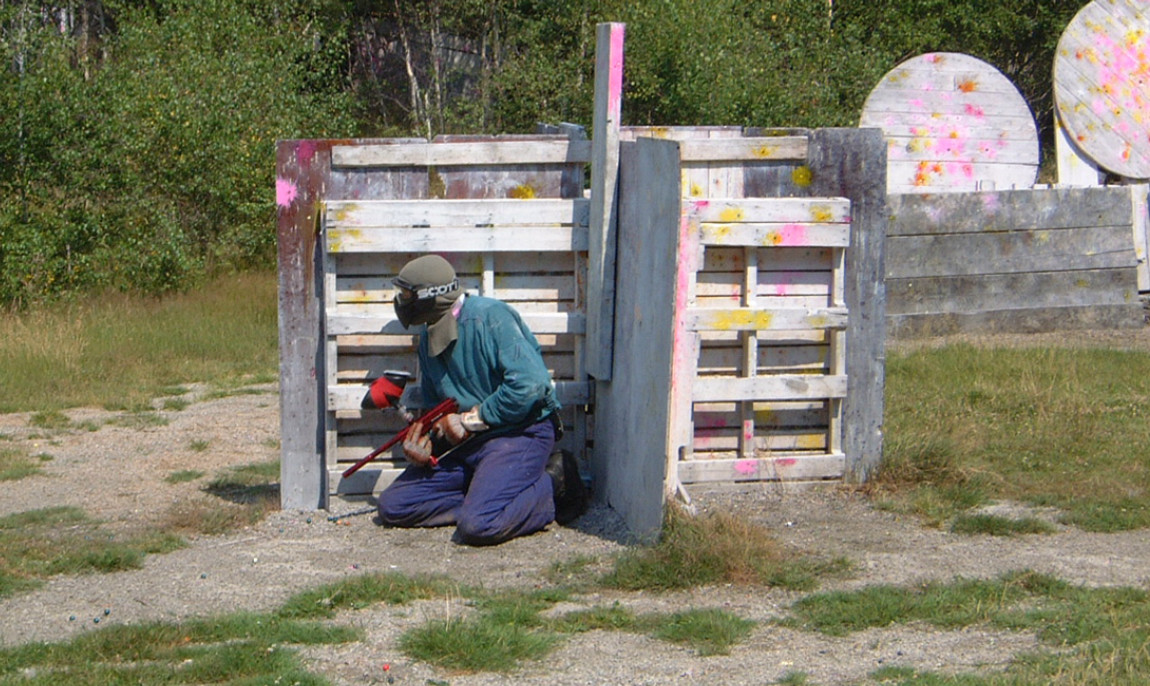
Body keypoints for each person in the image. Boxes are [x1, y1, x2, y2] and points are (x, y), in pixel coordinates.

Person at [376, 254, 572, 545]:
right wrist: (427, 443)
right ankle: (490, 497)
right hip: (471, 444)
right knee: (394, 505)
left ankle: (555, 483)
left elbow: (531, 385)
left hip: (520, 433)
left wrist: (471, 420)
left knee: (480, 525)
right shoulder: (429, 338)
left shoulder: (490, 317)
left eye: (406, 294)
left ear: (431, 295)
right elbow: (437, 409)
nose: (400, 301)